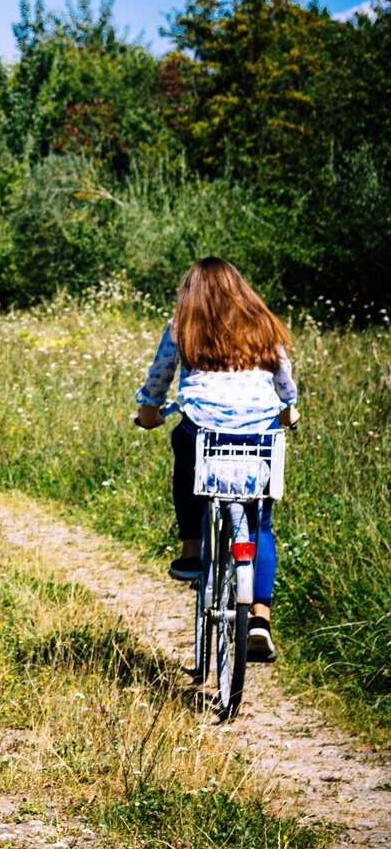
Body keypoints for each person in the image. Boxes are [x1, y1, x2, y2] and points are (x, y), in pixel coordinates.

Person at [134, 257, 298, 663]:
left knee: (184, 449)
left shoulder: (182, 327)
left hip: (204, 432)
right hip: (259, 434)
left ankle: (192, 551)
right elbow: (284, 383)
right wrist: (288, 410)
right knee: (260, 521)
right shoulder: (263, 324)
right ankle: (259, 617)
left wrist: (149, 413)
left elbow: (159, 378)